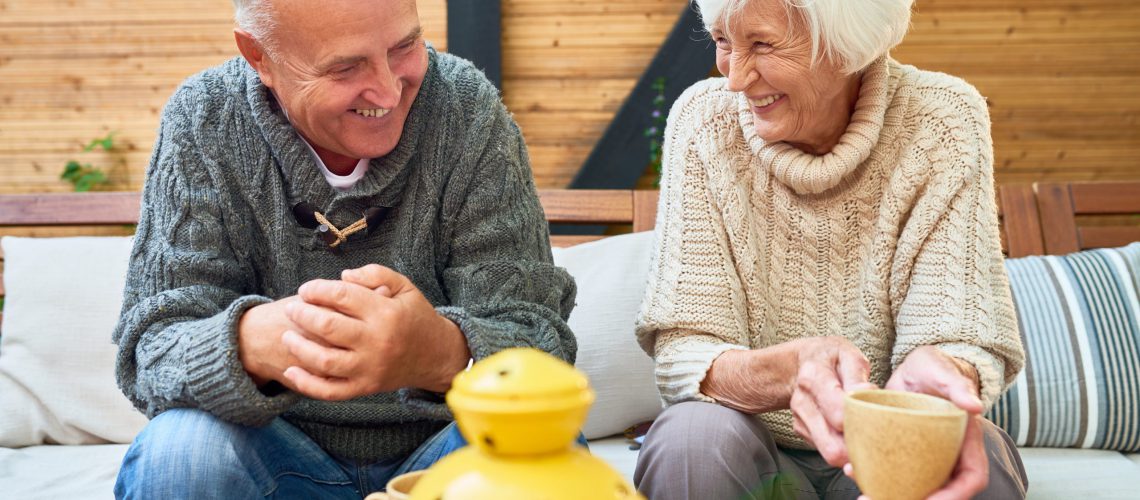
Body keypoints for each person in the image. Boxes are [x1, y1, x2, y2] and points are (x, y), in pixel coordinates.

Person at [111, 0, 577, 498]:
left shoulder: (466, 109)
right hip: (267, 455)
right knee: (181, 453)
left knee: (539, 452)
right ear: (259, 56)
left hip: (447, 460)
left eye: (404, 47)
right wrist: (249, 343)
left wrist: (442, 353)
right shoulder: (205, 119)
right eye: (345, 67)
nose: (388, 89)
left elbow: (544, 348)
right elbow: (150, 354)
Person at [633, 0, 1028, 499]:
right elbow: (686, 349)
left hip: (887, 434)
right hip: (747, 442)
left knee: (978, 464)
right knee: (692, 440)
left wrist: (946, 371)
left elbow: (957, 329)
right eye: (723, 41)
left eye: (762, 43)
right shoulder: (703, 122)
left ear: (848, 47)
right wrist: (791, 370)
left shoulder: (943, 121)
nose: (734, 78)